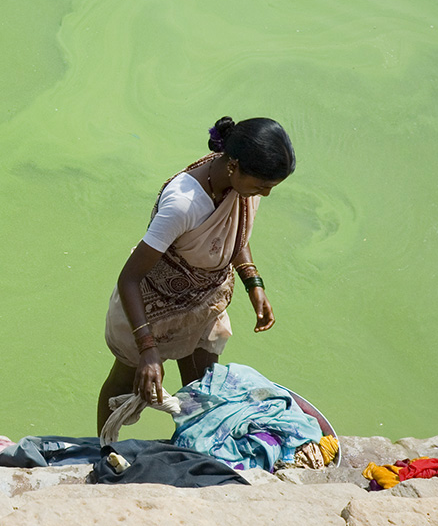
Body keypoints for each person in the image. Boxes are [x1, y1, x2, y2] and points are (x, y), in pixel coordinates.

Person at [97, 116, 295, 435]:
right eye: (262, 186)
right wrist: (147, 349)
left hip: (205, 304)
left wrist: (253, 283)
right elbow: (129, 278)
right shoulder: (183, 205)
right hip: (153, 309)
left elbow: (233, 233)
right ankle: (104, 449)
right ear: (234, 166)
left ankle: (193, 448)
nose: (265, 195)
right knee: (125, 384)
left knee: (202, 394)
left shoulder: (241, 187)